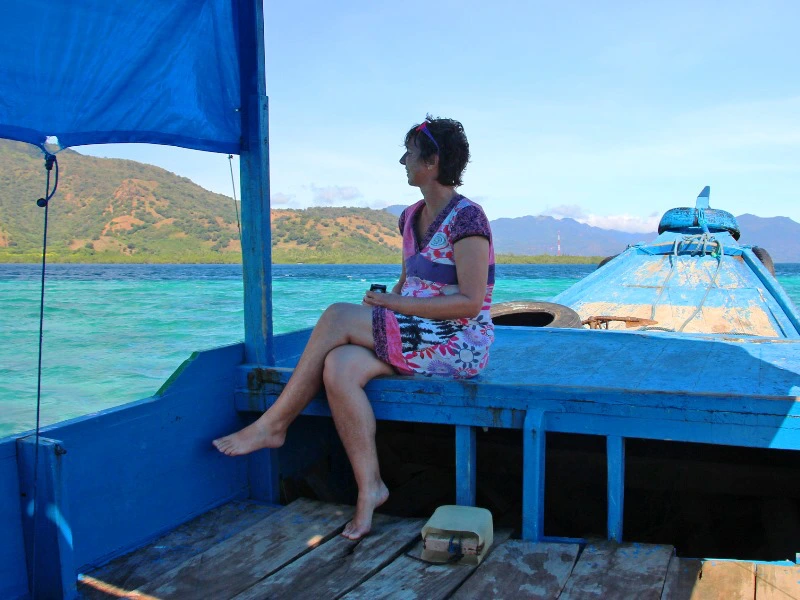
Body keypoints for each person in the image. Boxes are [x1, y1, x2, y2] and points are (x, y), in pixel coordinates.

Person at [213, 116, 496, 540]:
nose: (403, 160)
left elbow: (472, 302)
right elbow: (411, 281)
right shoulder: (410, 216)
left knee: (337, 316)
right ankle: (371, 489)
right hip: (414, 330)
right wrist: (393, 302)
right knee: (339, 366)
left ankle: (274, 424)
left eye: (410, 153)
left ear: (433, 161)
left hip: (456, 340)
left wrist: (391, 305)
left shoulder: (468, 218)